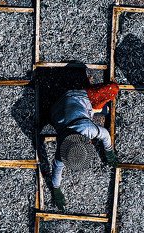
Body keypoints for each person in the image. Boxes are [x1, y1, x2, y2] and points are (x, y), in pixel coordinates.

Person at [47, 82, 120, 211]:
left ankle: (99, 109)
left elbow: (105, 135)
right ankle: (99, 109)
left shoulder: (86, 131)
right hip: (64, 104)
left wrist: (109, 152)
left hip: (70, 103)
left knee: (112, 91)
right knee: (109, 101)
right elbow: (57, 171)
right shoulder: (86, 132)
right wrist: (56, 190)